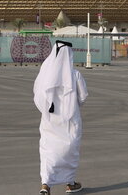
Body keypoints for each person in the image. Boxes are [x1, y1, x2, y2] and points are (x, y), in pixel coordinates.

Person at [34, 40, 88, 194]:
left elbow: (37, 96)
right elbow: (83, 97)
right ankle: (70, 183)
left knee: (48, 150)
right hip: (70, 120)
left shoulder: (44, 75)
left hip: (50, 121)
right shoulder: (75, 74)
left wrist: (47, 110)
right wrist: (71, 106)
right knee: (69, 150)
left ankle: (46, 185)